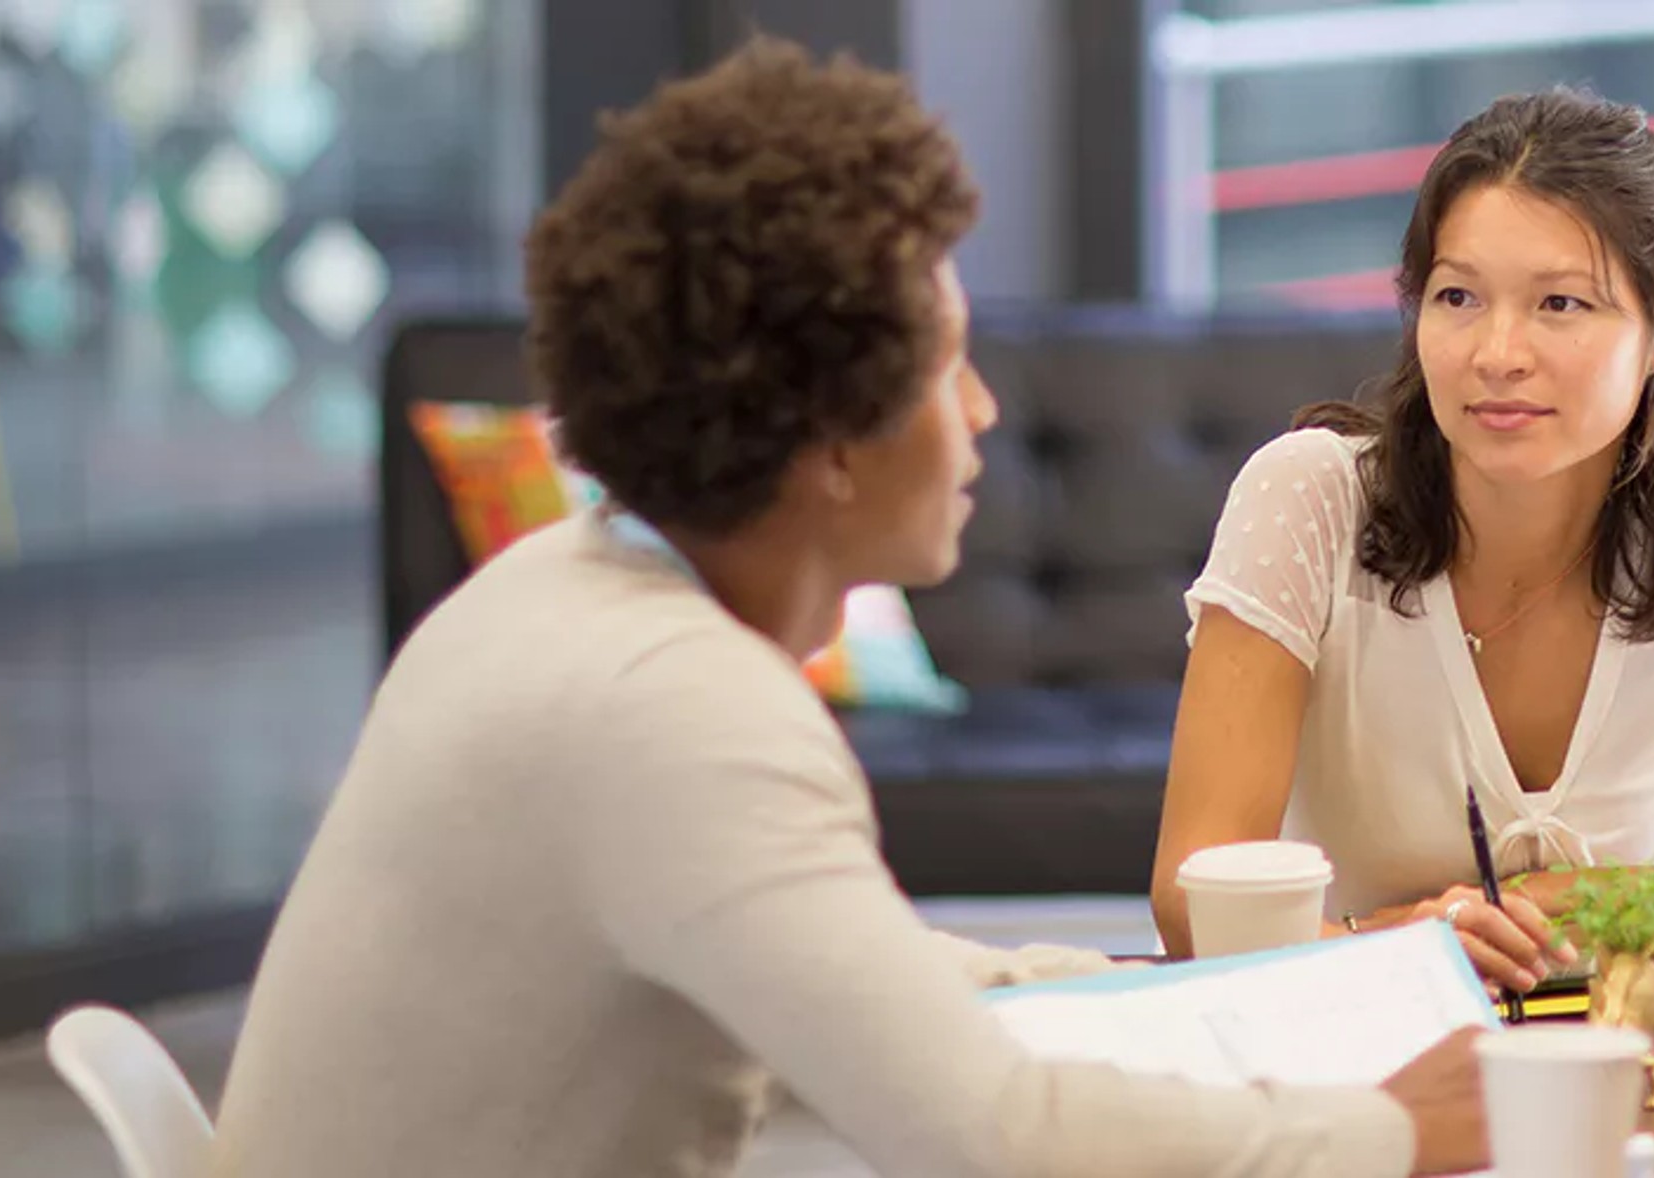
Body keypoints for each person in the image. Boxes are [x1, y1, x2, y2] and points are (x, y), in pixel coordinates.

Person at [215, 41, 1485, 1177]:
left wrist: (1118, 985)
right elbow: (994, 1137)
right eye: (948, 367)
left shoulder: (562, 591)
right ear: (831, 440)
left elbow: (859, 964)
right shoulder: (680, 712)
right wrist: (1394, 1133)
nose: (984, 411)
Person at [1150, 88, 1654, 987]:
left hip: (1622, 1064)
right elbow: (1195, 900)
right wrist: (1404, 948)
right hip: (1355, 1046)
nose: (1497, 352)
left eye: (1561, 304)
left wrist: (1605, 897)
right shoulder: (1309, 497)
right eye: (1458, 295)